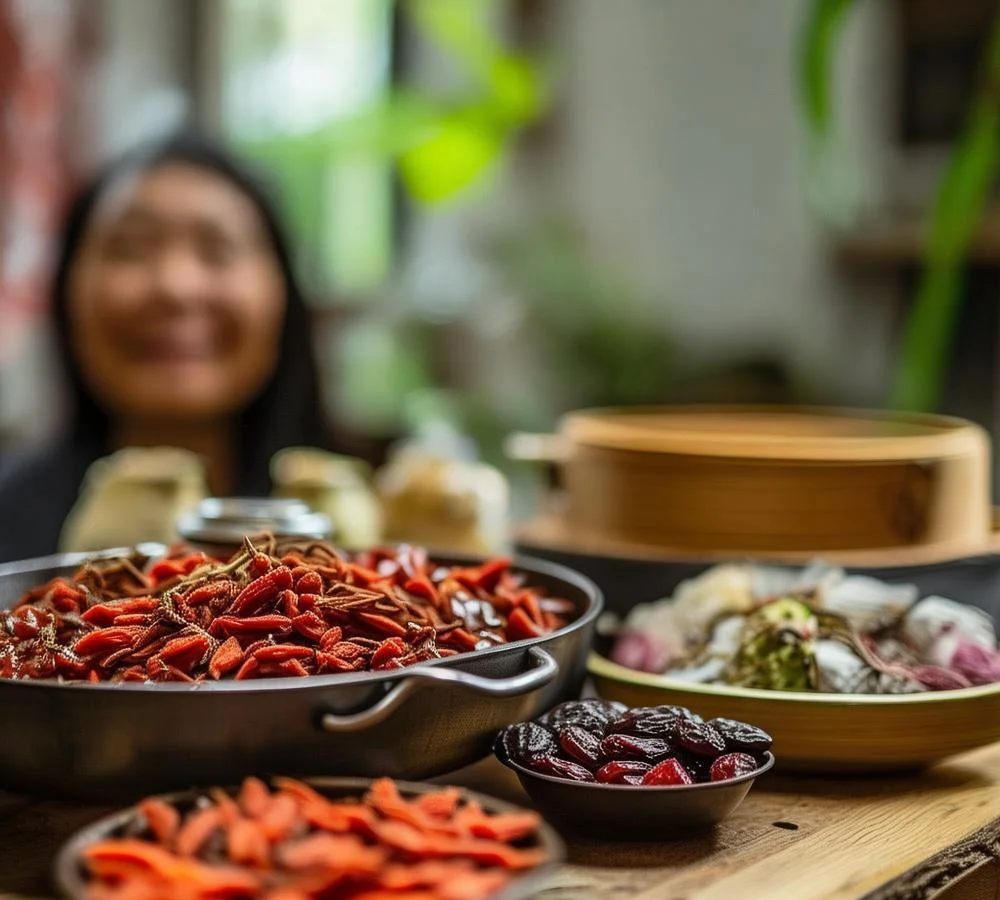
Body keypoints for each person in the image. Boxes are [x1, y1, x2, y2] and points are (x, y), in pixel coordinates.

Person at [0, 132, 334, 563]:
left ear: (283, 292)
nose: (175, 286)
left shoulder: (382, 527)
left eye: (217, 250)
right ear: (67, 291)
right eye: (130, 249)